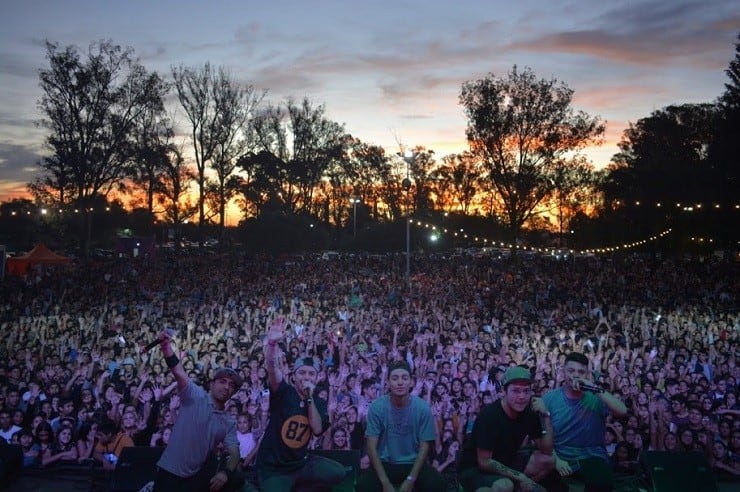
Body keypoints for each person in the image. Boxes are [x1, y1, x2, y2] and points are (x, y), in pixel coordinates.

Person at [256, 316, 346, 491]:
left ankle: (299, 484)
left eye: (311, 374)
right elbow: (272, 369)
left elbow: (318, 430)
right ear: (293, 376)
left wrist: (309, 397)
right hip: (274, 467)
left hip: (300, 463)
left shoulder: (317, 401)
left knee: (338, 472)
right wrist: (272, 345)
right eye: (302, 373)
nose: (306, 377)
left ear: (317, 377)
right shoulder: (284, 391)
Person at [152, 330, 248, 492]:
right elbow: (178, 372)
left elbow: (234, 452)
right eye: (223, 381)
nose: (226, 387)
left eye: (232, 385)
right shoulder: (195, 396)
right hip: (169, 471)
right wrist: (166, 346)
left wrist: (225, 472)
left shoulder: (229, 422)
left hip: (195, 478)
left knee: (236, 478)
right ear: (212, 384)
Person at [459, 366, 561, 492]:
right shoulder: (489, 416)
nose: (522, 396)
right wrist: (519, 476)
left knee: (548, 460)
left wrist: (546, 416)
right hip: (476, 468)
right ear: (503, 391)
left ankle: (518, 488)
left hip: (506, 462)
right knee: (504, 485)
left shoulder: (528, 412)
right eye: (516, 391)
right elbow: (484, 462)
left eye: (526, 391)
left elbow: (547, 450)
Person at [543, 352, 628, 492]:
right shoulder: (550, 398)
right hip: (561, 456)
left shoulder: (596, 396)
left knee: (602, 484)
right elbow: (543, 434)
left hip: (592, 456)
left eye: (581, 372)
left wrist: (592, 387)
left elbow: (622, 411)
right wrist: (555, 459)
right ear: (563, 372)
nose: (576, 375)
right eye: (571, 370)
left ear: (587, 374)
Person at [355, 360, 445, 492]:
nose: (400, 382)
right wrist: (385, 482)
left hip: (414, 463)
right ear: (388, 383)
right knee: (363, 487)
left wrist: (410, 480)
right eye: (395, 378)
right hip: (384, 463)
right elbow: (371, 447)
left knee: (437, 485)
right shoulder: (377, 407)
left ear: (411, 382)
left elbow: (425, 447)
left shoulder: (423, 408)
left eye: (404, 378)